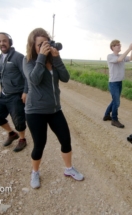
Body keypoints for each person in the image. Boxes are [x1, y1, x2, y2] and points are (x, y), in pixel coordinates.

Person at [23, 28, 84, 189]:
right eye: (40, 44)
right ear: (33, 46)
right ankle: (35, 172)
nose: (44, 47)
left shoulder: (53, 60)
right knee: (39, 144)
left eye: (46, 43)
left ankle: (69, 169)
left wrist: (57, 59)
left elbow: (65, 78)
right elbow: (34, 80)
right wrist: (41, 58)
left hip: (55, 110)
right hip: (35, 111)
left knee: (66, 140)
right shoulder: (28, 61)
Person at [0, 32, 28, 152]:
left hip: (16, 95)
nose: (2, 43)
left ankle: (22, 139)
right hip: (4, 94)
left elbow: (27, 76)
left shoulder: (18, 57)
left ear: (9, 42)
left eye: (4, 41)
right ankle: (12, 133)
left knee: (19, 120)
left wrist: (25, 91)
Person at [103, 39, 132, 128]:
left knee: (115, 101)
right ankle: (114, 119)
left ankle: (107, 115)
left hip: (119, 82)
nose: (120, 46)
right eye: (117, 45)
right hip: (113, 83)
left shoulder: (121, 55)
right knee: (117, 102)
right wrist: (129, 48)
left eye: (120, 45)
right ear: (113, 47)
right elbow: (119, 59)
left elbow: (131, 58)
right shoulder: (110, 56)